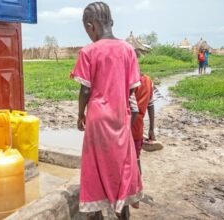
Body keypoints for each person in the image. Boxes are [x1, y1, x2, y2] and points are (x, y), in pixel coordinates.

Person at [70, 2, 143, 219]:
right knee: (122, 167)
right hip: (120, 119)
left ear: (90, 26)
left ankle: (97, 213)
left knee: (94, 169)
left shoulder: (88, 51)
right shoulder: (128, 50)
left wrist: (80, 114)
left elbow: (85, 90)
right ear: (111, 23)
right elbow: (131, 92)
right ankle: (123, 211)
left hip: (97, 119)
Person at [131, 74, 155, 173]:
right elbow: (151, 105)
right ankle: (138, 185)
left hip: (125, 126)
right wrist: (151, 129)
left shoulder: (128, 80)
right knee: (136, 158)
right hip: (138, 128)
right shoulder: (148, 81)